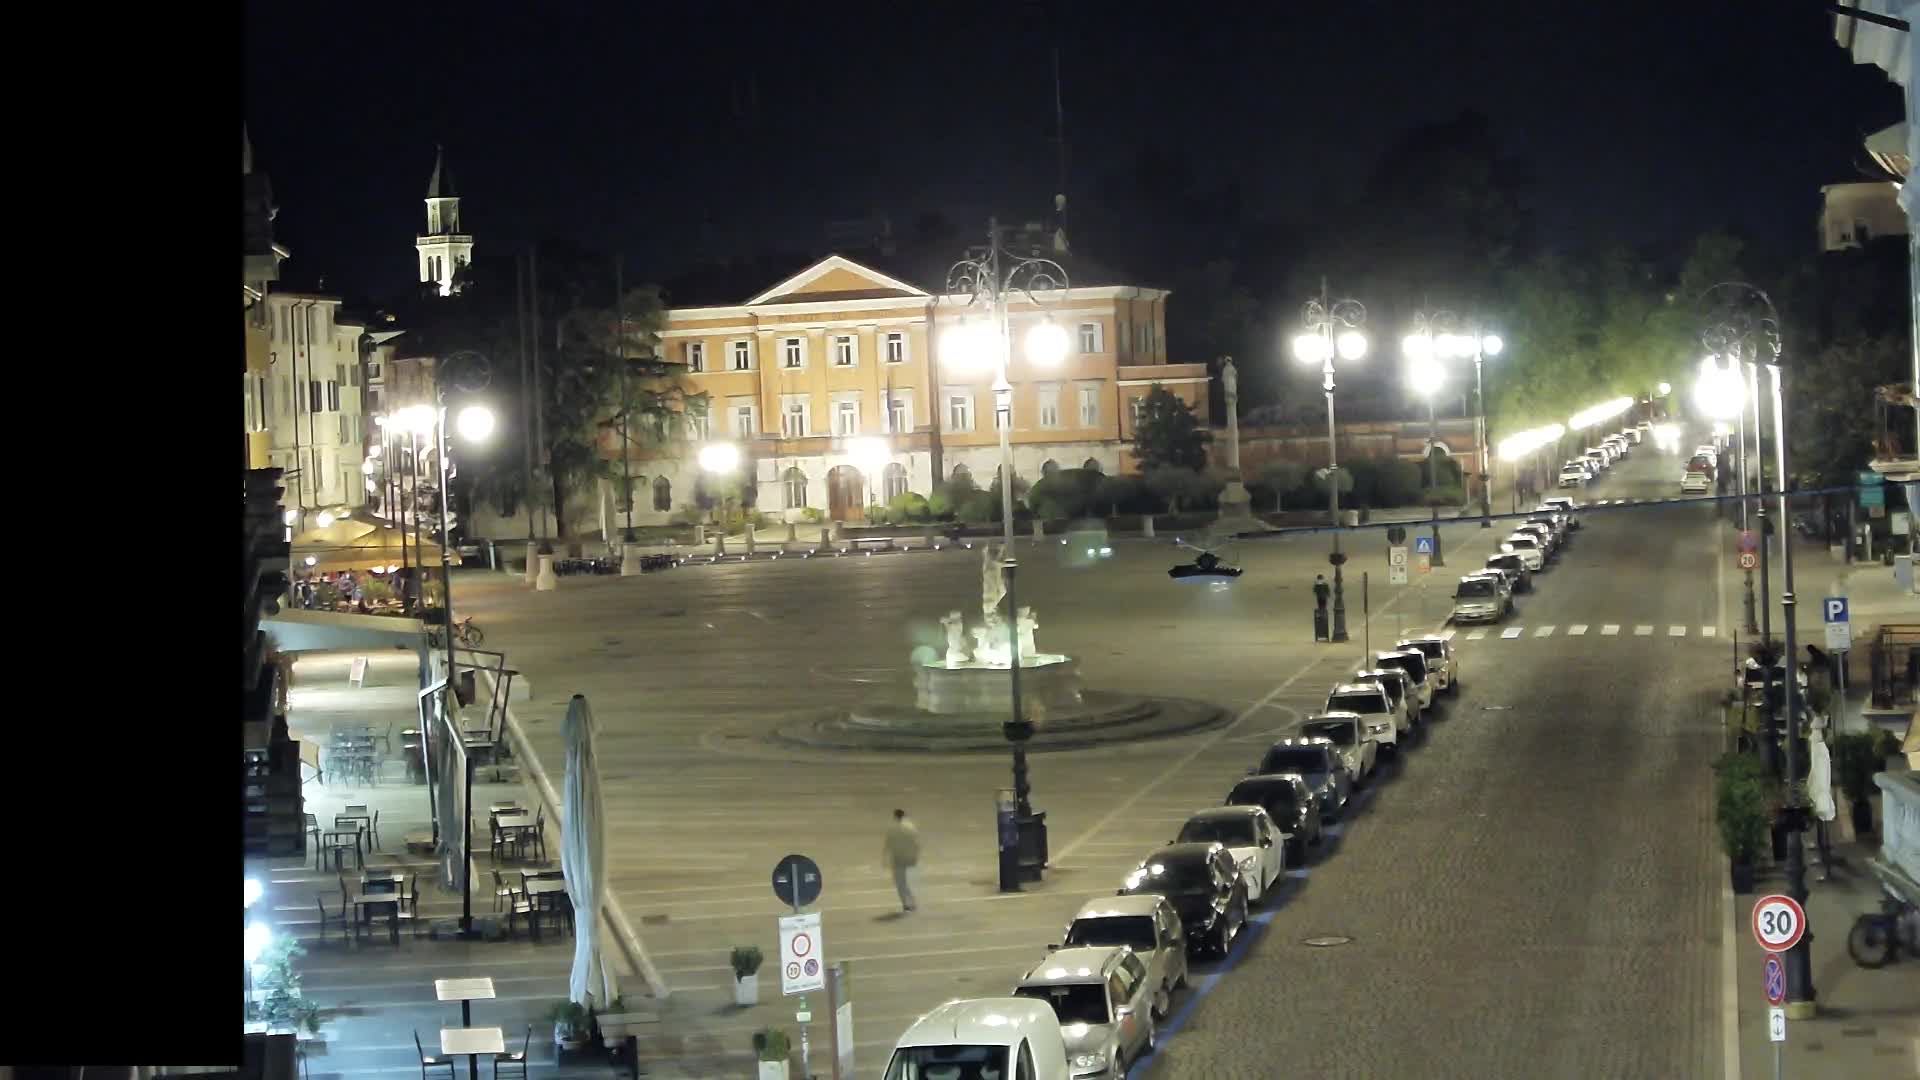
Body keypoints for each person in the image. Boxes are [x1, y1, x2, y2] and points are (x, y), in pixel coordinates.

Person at [881, 808, 921, 913]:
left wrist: (884, 859)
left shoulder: (892, 828)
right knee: (908, 882)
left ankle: (906, 904)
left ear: (895, 816)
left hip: (898, 858)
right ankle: (912, 902)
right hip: (909, 858)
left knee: (900, 883)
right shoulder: (910, 827)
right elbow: (916, 843)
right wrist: (915, 856)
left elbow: (887, 844)